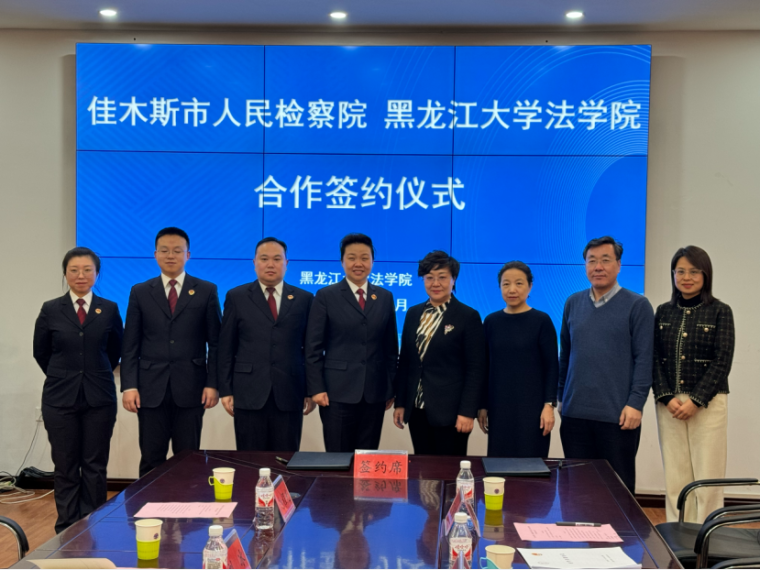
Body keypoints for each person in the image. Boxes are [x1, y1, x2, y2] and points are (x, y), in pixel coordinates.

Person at [33, 248, 123, 533]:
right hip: (60, 399)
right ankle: (67, 529)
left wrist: (93, 374)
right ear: (65, 273)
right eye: (74, 270)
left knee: (95, 465)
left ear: (97, 274)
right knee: (66, 465)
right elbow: (41, 352)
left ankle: (92, 525)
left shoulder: (109, 309)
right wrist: (65, 376)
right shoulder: (51, 309)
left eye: (87, 270)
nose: (80, 275)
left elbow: (115, 351)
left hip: (99, 398)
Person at [121, 227, 222, 477]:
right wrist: (129, 386)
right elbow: (130, 343)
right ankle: (148, 503)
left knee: (188, 458)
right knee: (151, 456)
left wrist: (213, 384)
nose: (170, 255)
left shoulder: (206, 290)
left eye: (177, 251)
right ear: (155, 254)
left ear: (188, 255)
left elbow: (216, 343)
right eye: (164, 250)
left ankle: (187, 503)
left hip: (192, 388)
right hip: (150, 389)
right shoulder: (140, 291)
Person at [558, 236, 654, 494]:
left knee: (617, 490)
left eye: (605, 260)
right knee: (576, 490)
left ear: (619, 265)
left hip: (618, 416)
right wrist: (561, 397)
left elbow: (645, 359)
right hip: (575, 415)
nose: (598, 267)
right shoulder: (572, 303)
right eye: (592, 261)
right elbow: (565, 354)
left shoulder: (638, 305)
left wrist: (636, 403)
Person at [653, 246, 735, 523]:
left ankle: (706, 539)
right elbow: (654, 358)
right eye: (680, 271)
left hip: (708, 403)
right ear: (673, 274)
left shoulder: (720, 311)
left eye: (694, 271)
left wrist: (696, 400)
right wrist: (666, 397)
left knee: (707, 479)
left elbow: (722, 361)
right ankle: (678, 538)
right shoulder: (663, 312)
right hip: (670, 405)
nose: (686, 277)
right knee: (675, 477)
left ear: (705, 274)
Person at [218, 237, 316, 452]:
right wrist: (225, 390)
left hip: (290, 391)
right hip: (248, 391)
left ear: (286, 263)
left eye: (277, 259)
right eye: (264, 259)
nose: (270, 264)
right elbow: (225, 347)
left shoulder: (304, 299)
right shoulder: (237, 297)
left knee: (286, 458)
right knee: (249, 458)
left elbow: (310, 349)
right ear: (254, 262)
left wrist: (311, 390)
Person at [305, 233, 398, 453]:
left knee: (368, 457)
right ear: (342, 262)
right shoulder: (326, 296)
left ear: (372, 261)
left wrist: (390, 388)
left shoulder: (384, 297)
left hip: (374, 393)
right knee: (337, 456)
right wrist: (316, 388)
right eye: (352, 257)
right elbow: (313, 348)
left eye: (364, 258)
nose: (358, 263)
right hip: (336, 393)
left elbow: (390, 349)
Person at [393, 251, 487, 456]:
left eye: (442, 277)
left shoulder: (468, 316)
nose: (435, 283)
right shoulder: (413, 313)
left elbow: (476, 369)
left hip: (451, 412)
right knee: (423, 467)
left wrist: (467, 411)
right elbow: (406, 362)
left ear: (454, 279)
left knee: (448, 468)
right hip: (417, 408)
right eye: (429, 277)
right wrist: (400, 403)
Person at [478, 261, 558, 457]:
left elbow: (551, 367)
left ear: (530, 286)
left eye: (519, 283)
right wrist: (482, 405)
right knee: (499, 465)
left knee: (532, 465)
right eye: (506, 284)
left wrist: (549, 406)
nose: (512, 289)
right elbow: (484, 367)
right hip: (499, 408)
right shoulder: (491, 322)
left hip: (533, 409)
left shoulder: (542, 321)